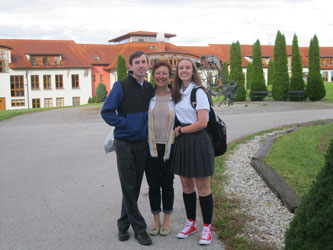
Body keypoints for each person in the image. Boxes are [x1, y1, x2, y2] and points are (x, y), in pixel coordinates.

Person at [101, 50, 154, 246]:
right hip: (124, 144)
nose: (141, 65)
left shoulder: (149, 88)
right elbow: (106, 111)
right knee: (128, 185)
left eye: (144, 62)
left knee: (134, 187)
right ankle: (139, 229)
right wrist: (124, 123)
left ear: (147, 65)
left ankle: (123, 225)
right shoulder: (120, 86)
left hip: (142, 143)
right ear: (131, 66)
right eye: (137, 62)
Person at [171, 58, 215, 245]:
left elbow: (202, 122)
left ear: (193, 70)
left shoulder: (198, 92)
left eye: (187, 67)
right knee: (187, 187)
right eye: (181, 68)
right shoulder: (178, 92)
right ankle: (191, 223)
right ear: (177, 71)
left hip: (198, 141)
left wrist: (180, 130)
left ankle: (207, 227)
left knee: (203, 188)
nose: (184, 70)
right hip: (183, 143)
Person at [146, 61, 175, 237]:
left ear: (169, 76)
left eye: (164, 73)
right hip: (151, 146)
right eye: (158, 73)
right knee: (153, 185)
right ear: (153, 74)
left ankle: (167, 220)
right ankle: (156, 219)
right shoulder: (148, 96)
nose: (161, 77)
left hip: (170, 146)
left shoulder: (176, 96)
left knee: (168, 184)